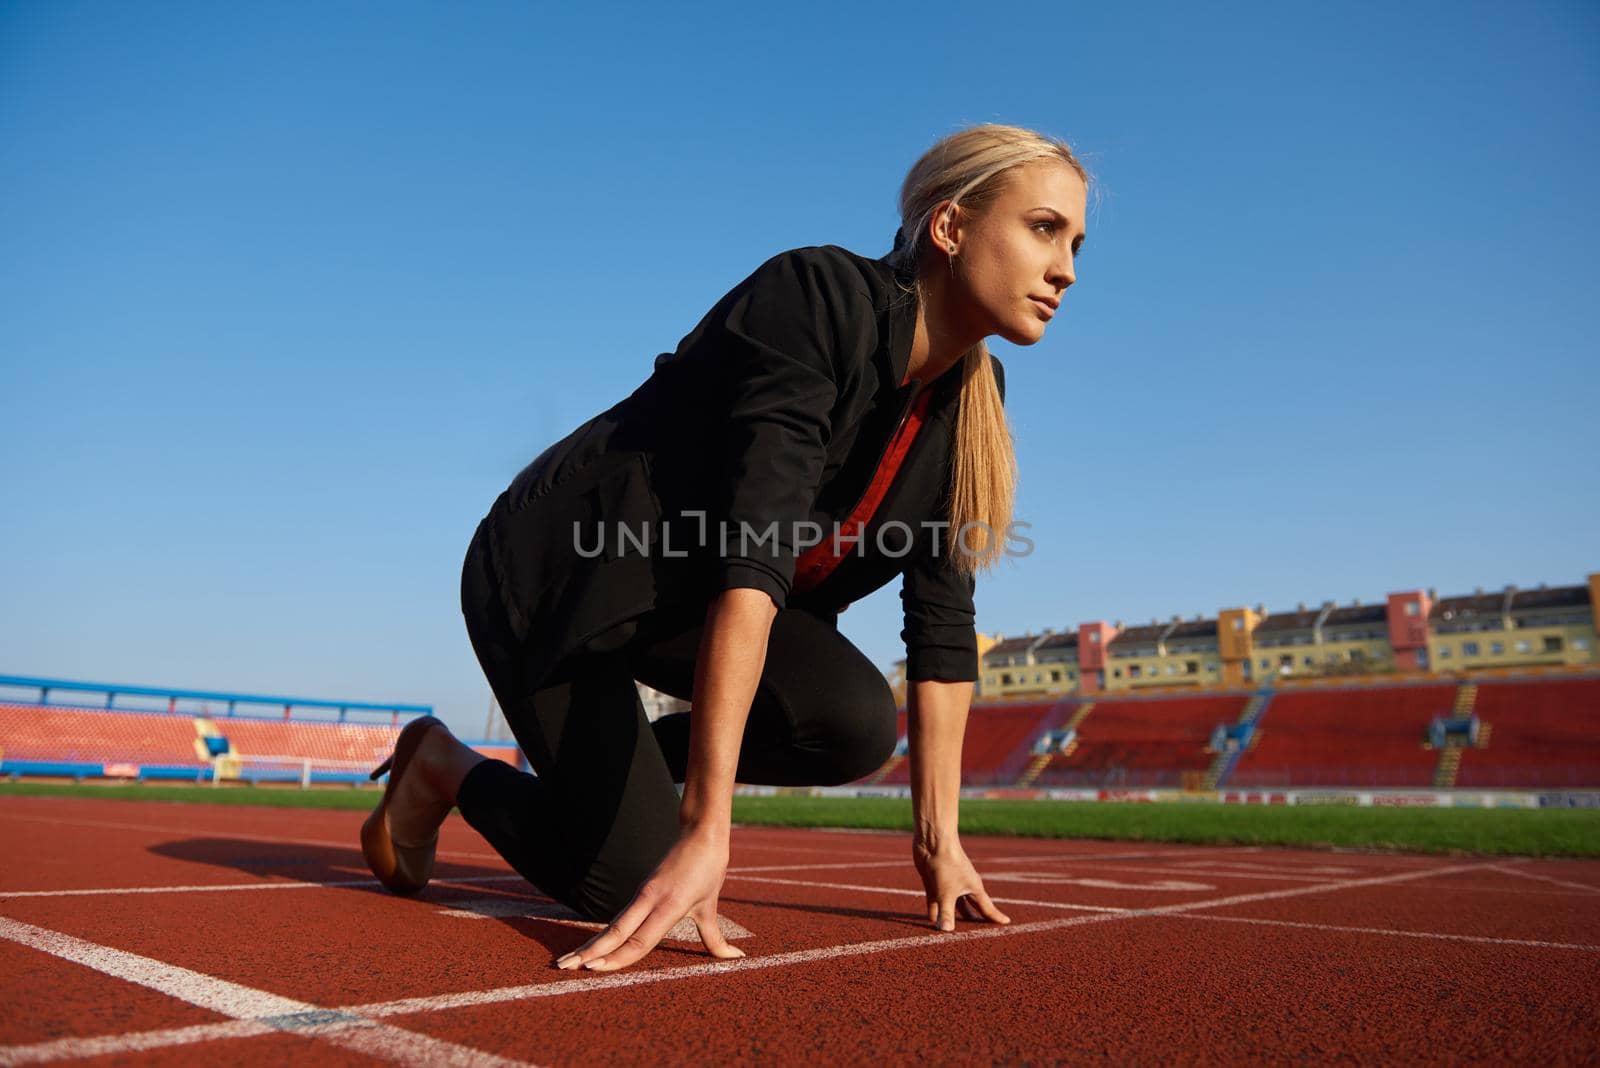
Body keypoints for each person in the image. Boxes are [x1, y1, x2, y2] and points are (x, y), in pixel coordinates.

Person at [361, 122, 1089, 974]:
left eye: (1077, 242)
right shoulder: (818, 297)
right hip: (561, 578)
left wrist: (940, 842)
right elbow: (755, 556)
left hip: (684, 603)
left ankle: (602, 785)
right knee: (629, 879)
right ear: (951, 226)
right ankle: (443, 764)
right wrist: (708, 829)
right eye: (1044, 229)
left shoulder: (974, 407)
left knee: (853, 727)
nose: (1067, 268)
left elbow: (941, 629)